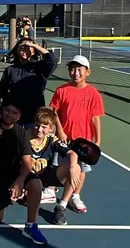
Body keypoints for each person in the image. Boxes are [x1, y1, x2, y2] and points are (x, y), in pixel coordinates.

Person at [0, 103, 47, 245]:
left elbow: (27, 162)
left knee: (36, 184)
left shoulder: (21, 133)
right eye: (7, 110)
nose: (10, 115)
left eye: (14, 112)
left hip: (14, 173)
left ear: (19, 116)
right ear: (1, 110)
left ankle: (31, 226)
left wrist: (20, 180)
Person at [50, 55, 104, 214]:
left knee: (81, 170)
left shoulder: (93, 94)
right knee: (61, 167)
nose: (76, 73)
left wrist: (97, 140)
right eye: (72, 69)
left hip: (84, 141)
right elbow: (54, 112)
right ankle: (53, 190)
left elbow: (95, 119)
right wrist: (60, 131)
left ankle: (76, 196)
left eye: (79, 69)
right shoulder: (62, 90)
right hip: (64, 140)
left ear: (88, 72)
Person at [28, 107, 82, 226]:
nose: (39, 129)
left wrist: (72, 168)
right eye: (37, 125)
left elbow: (72, 153)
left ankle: (61, 207)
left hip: (44, 177)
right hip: (26, 177)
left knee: (77, 167)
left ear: (51, 129)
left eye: (44, 127)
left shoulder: (52, 140)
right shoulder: (24, 136)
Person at [0, 37, 57, 128]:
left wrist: (34, 45)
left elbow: (52, 60)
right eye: (22, 47)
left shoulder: (40, 67)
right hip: (15, 117)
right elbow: (2, 90)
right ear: (17, 50)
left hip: (34, 116)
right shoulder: (10, 70)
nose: (25, 50)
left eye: (29, 47)